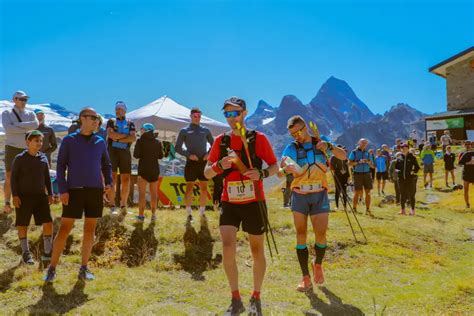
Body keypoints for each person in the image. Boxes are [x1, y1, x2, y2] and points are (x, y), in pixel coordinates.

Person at [204, 97, 278, 316]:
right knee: (227, 248)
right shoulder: (221, 141)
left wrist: (262, 173)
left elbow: (274, 166)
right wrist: (219, 165)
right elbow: (206, 172)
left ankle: (256, 296)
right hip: (230, 201)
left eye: (235, 113)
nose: (231, 118)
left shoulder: (259, 138)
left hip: (254, 201)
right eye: (227, 114)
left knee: (256, 250)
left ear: (245, 113)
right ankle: (235, 299)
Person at [44, 107, 112, 282]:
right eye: (93, 118)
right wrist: (63, 190)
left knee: (90, 229)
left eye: (97, 118)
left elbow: (106, 164)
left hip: (95, 190)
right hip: (73, 191)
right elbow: (60, 167)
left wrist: (109, 182)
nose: (97, 121)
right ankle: (52, 268)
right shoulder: (69, 140)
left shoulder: (100, 142)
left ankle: (84, 268)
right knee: (65, 229)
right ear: (83, 118)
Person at [277, 115, 346, 292]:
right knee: (301, 234)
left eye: (299, 131)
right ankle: (305, 277)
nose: (297, 136)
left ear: (305, 127)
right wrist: (286, 169)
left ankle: (318, 263)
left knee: (321, 235)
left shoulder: (321, 142)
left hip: (319, 194)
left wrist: (329, 147)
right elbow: (280, 172)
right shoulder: (291, 148)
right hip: (300, 195)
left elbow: (343, 156)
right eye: (293, 134)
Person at [11, 130, 54, 265]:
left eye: (41, 141)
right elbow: (13, 179)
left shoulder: (43, 158)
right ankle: (26, 253)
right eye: (36, 141)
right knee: (23, 224)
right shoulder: (19, 158)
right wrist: (15, 196)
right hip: (23, 197)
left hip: (41, 196)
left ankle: (47, 252)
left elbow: (47, 177)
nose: (39, 144)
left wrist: (51, 194)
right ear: (28, 142)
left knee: (48, 222)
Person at [2, 91, 39, 214]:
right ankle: (7, 202)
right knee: (9, 175)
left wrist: (16, 126)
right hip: (12, 147)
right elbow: (8, 128)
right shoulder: (6, 113)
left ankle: (24, 201)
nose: (23, 102)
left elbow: (35, 125)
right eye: (21, 99)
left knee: (27, 176)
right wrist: (26, 128)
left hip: (27, 148)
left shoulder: (31, 113)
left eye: (25, 99)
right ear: (14, 100)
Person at [175, 107, 214, 222]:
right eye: (195, 116)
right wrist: (188, 155)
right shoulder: (184, 131)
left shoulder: (206, 130)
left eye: (199, 116)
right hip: (191, 163)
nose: (197, 118)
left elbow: (214, 145)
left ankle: (202, 213)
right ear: (191, 116)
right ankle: (189, 213)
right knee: (189, 189)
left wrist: (208, 154)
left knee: (204, 188)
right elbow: (177, 147)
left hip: (203, 163)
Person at [106, 101, 136, 215]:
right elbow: (111, 135)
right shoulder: (111, 121)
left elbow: (133, 138)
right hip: (112, 152)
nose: (117, 111)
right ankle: (112, 204)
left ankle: (123, 205)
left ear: (124, 110)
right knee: (112, 178)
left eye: (119, 109)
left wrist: (118, 138)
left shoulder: (130, 123)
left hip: (125, 152)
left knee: (126, 179)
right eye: (116, 109)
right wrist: (125, 136)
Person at [133, 123, 163, 222]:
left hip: (143, 169)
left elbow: (136, 155)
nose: (140, 130)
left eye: (142, 128)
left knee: (142, 193)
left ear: (145, 130)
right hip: (154, 169)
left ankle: (141, 216)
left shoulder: (140, 141)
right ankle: (153, 215)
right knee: (153, 193)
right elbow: (160, 156)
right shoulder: (158, 142)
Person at [348, 138, 375, 216]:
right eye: (362, 143)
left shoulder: (368, 153)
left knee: (368, 193)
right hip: (357, 174)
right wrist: (358, 162)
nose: (364, 144)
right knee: (357, 192)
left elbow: (372, 166)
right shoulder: (354, 152)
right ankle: (354, 209)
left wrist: (369, 162)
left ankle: (367, 209)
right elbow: (349, 163)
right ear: (359, 143)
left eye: (365, 143)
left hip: (367, 174)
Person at [395, 144, 420, 215]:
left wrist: (413, 172)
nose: (404, 149)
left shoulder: (412, 157)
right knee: (402, 194)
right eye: (402, 148)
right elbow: (396, 168)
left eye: (405, 148)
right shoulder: (399, 158)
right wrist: (397, 171)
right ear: (401, 149)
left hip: (410, 179)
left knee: (411, 194)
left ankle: (412, 210)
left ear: (408, 149)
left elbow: (417, 167)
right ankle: (402, 210)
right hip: (401, 179)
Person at [330, 145, 350, 211]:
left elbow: (347, 167)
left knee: (344, 190)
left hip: (344, 176)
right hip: (337, 176)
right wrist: (334, 176)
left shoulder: (344, 157)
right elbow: (332, 168)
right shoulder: (333, 157)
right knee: (337, 190)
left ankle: (345, 206)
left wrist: (348, 176)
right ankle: (337, 206)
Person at [458, 141, 474, 209]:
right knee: (466, 189)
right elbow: (459, 163)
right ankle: (467, 204)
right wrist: (468, 163)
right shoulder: (462, 153)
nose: (467, 145)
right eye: (466, 144)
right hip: (466, 173)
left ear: (471, 145)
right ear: (464, 145)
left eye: (469, 144)